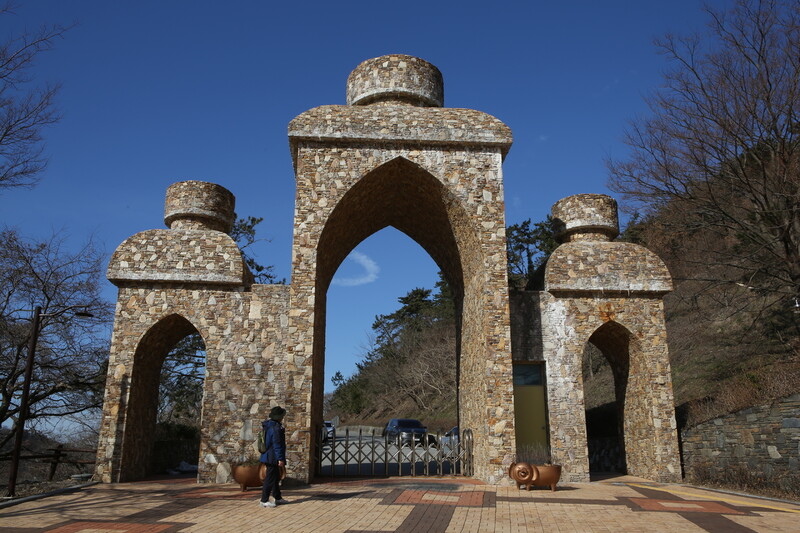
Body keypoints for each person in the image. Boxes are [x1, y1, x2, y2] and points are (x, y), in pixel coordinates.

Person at [259, 405, 287, 508]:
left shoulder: (269, 426)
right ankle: (264, 500)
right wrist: (280, 458)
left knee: (275, 478)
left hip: (268, 455)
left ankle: (278, 497)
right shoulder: (275, 428)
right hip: (272, 457)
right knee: (270, 478)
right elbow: (277, 444)